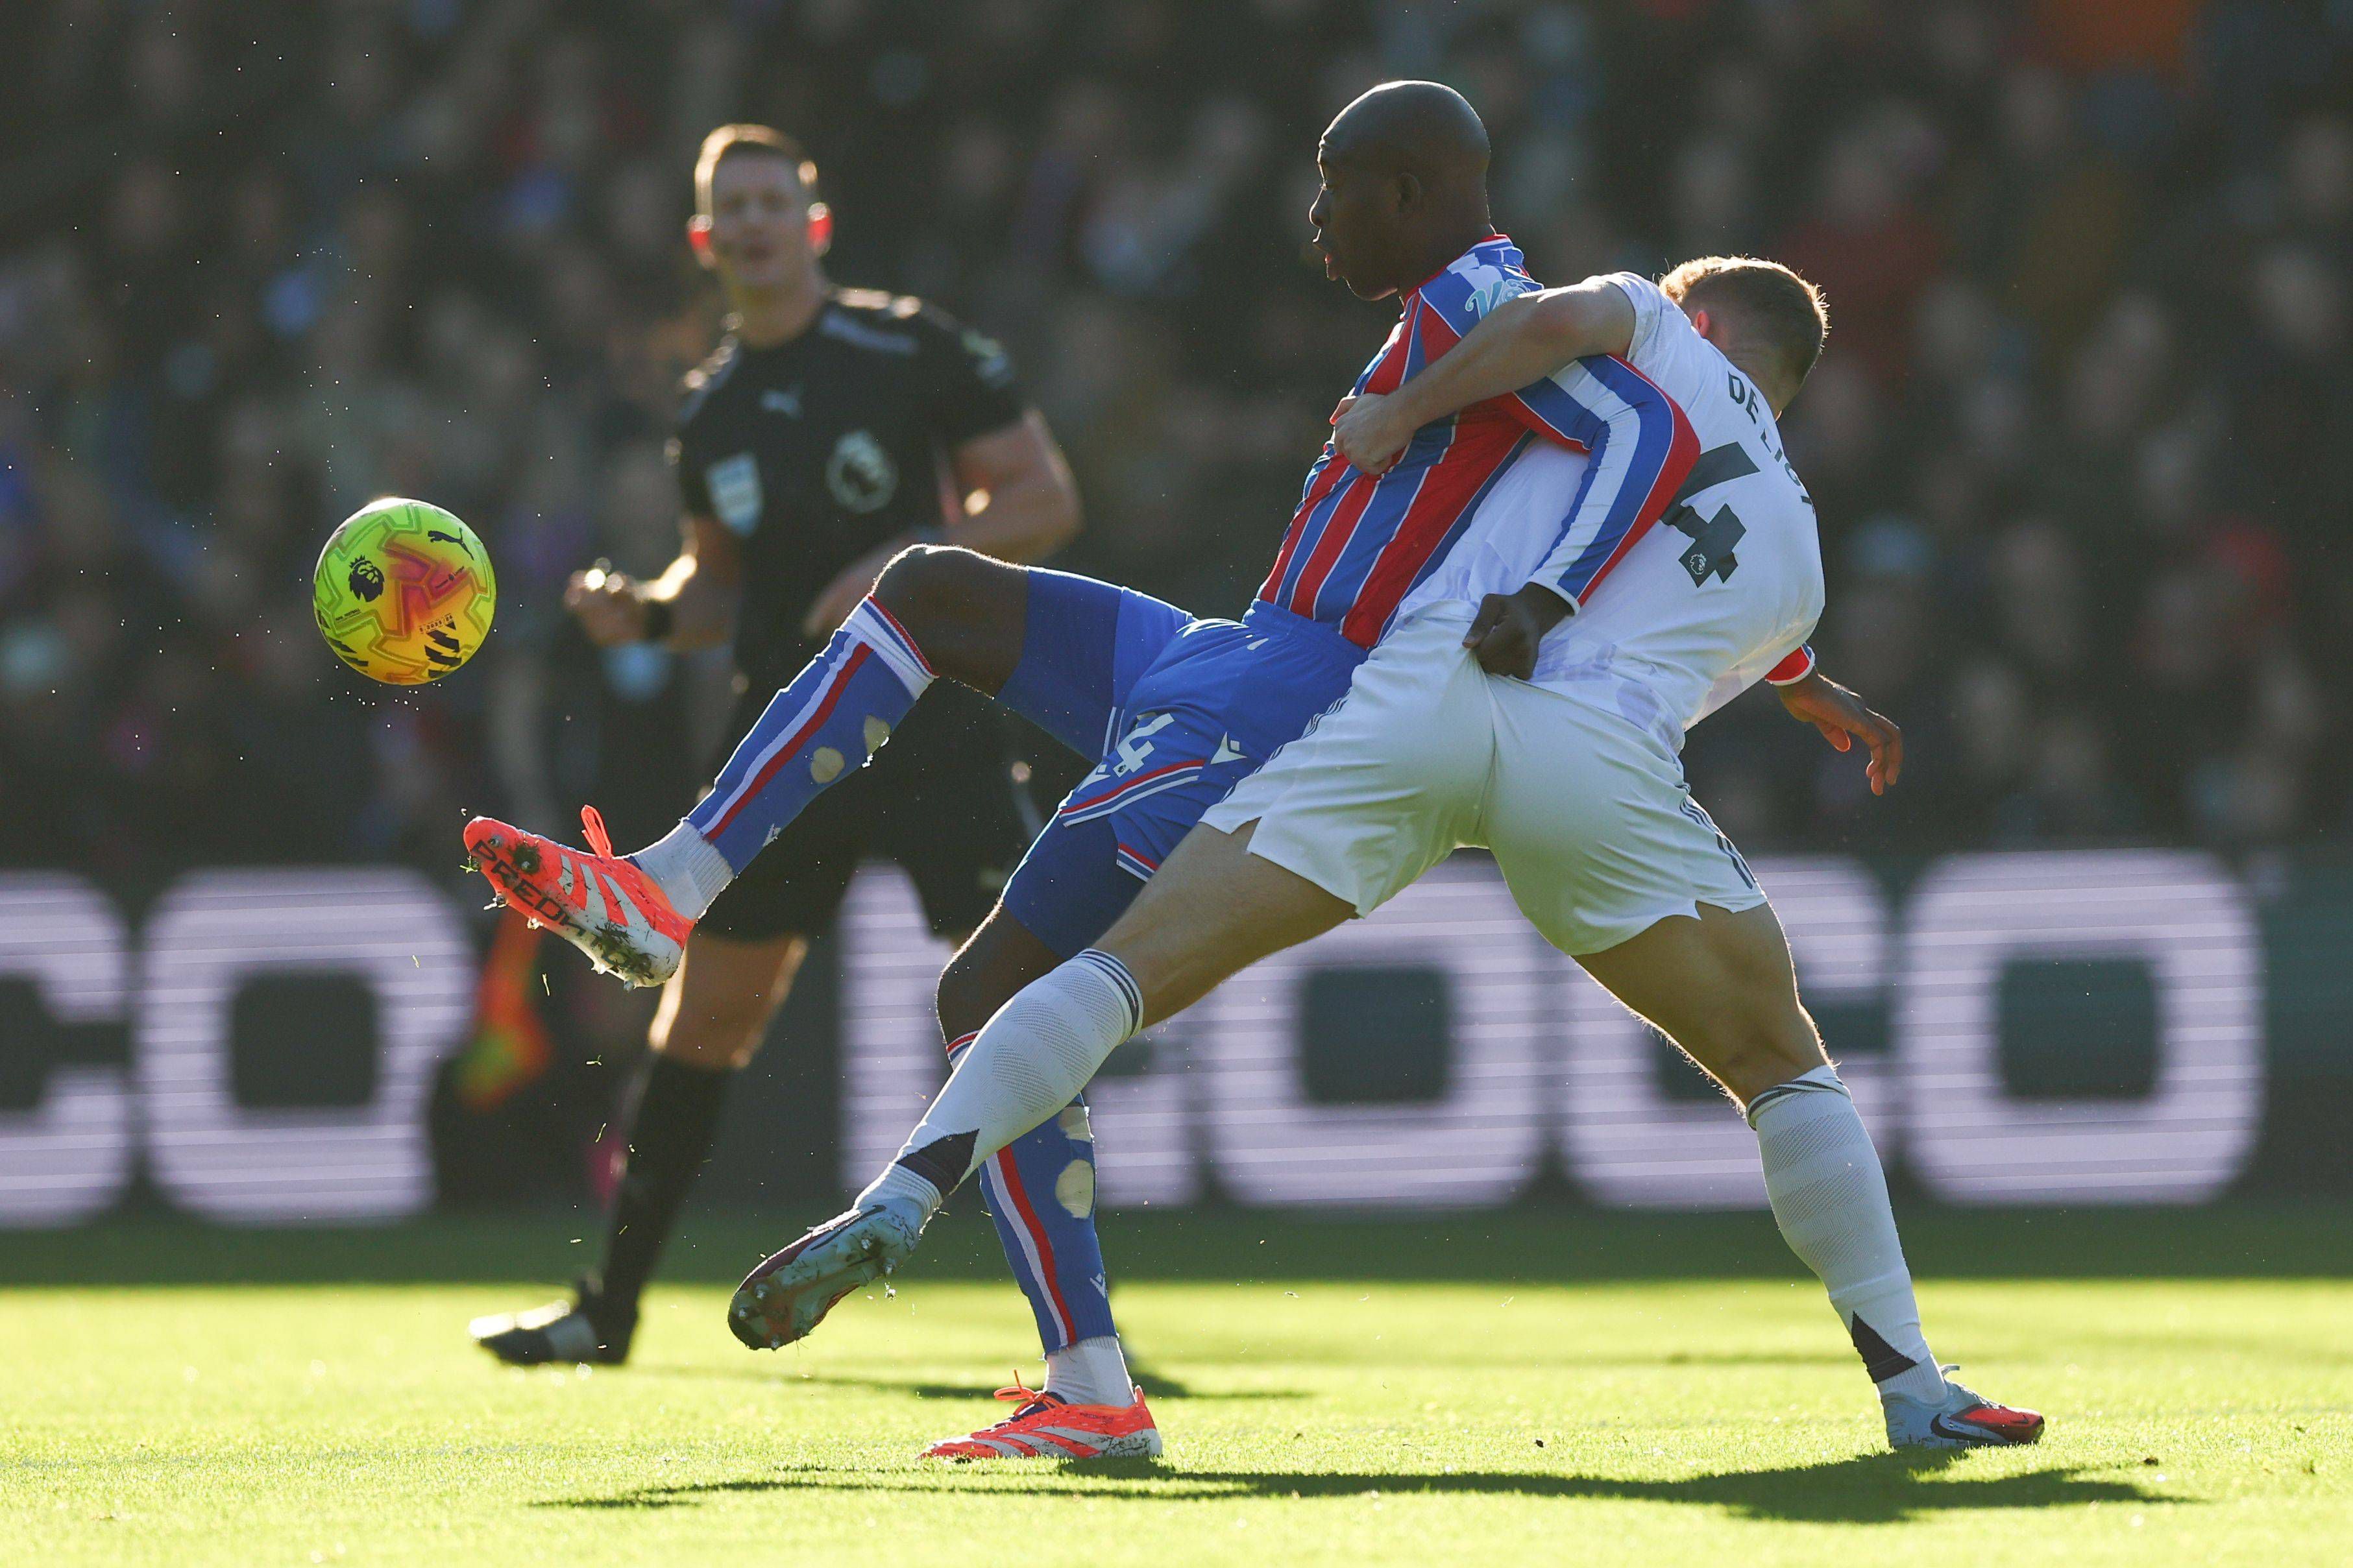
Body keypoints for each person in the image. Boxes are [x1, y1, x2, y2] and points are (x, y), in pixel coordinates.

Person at [725, 88, 2044, 1453]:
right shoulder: (1802, 554)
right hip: (1589, 771)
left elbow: (1539, 336)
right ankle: (1910, 1388)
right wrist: (1812, 688)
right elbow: (1710, 608)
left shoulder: (1640, 332)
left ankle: (903, 1192)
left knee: (1113, 976)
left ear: (1696, 321)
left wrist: (1403, 409)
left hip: (1419, 701)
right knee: (1777, 1058)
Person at [465, 82, 1692, 1459]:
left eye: (1335, 184)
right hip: (1232, 646)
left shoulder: (1488, 309)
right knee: (931, 587)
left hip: (1290, 702)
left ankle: (1092, 1386)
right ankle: (667, 887)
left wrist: (1554, 596)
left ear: (1408, 191)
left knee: (991, 990)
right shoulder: (1448, 325)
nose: (1313, 216)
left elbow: (1651, 426)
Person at [464, 124, 1086, 1383]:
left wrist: (901, 571)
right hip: (788, 754)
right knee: (702, 1027)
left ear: (814, 220)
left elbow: (1041, 500)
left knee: (1023, 1012)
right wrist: (639, 609)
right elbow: (727, 595)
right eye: (725, 208)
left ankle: (1081, 1336)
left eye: (769, 200)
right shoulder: (713, 412)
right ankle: (611, 1310)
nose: (749, 223)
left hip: (940, 735)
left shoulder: (911, 348)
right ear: (705, 242)